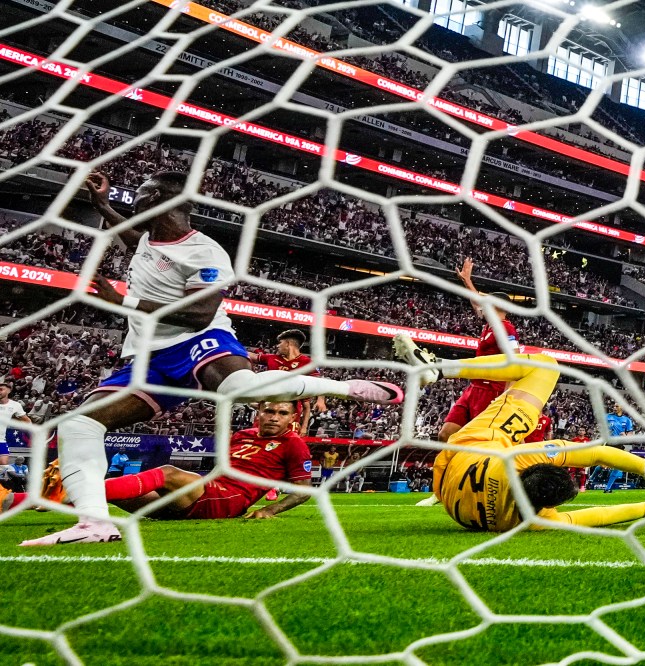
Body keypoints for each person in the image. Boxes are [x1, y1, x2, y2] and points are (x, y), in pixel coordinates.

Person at [19, 171, 404, 547]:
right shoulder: (149, 240)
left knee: (242, 388)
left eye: (143, 190)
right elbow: (132, 236)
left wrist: (125, 301)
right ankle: (93, 523)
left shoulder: (205, 252)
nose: (133, 194)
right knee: (78, 425)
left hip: (200, 338)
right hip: (149, 357)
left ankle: (346, 387)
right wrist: (102, 205)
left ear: (162, 201)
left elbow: (199, 314)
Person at [393, 334, 645, 532]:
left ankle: (440, 367)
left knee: (544, 366)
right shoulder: (536, 521)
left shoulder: (523, 459)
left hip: (474, 444)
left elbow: (595, 453)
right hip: (451, 496)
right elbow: (603, 516)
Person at [4, 402, 313, 521]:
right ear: (259, 412)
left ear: (292, 418)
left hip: (228, 501)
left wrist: (269, 509)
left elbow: (303, 490)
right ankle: (18, 501)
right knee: (115, 491)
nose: (274, 417)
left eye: (282, 413)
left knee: (167, 472)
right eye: (269, 411)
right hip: (204, 493)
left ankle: (41, 497)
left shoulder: (294, 443)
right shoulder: (243, 435)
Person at [416, 257, 519, 508]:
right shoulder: (489, 326)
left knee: (483, 444)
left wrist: (508, 394)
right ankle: (441, 490)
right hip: (473, 388)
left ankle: (486, 488)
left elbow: (515, 362)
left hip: (491, 391)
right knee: (446, 434)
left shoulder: (507, 329)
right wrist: (467, 281)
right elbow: (476, 303)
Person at [248, 329, 326, 434]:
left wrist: (320, 400)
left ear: (288, 344)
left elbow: (319, 381)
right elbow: (253, 356)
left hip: (289, 414)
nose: (277, 346)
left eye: (280, 342)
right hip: (267, 410)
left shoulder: (306, 362)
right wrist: (231, 348)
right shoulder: (272, 358)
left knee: (284, 444)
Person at [600, 404, 634, 493]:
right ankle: (591, 479)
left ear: (622, 407)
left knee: (617, 466)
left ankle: (607, 488)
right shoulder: (607, 417)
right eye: (614, 406)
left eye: (616, 406)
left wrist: (625, 435)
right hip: (609, 443)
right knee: (602, 464)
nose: (614, 407)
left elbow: (630, 435)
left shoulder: (627, 420)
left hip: (619, 445)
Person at [0, 381, 31, 466]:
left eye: (1, 389)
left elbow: (27, 421)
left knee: (4, 465)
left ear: (8, 391)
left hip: (1, 440)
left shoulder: (15, 405)